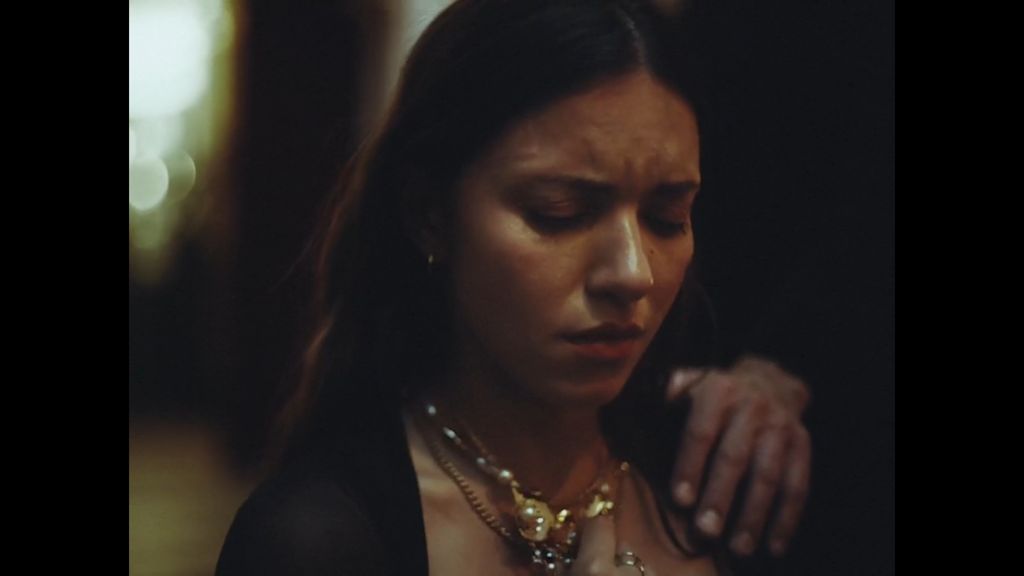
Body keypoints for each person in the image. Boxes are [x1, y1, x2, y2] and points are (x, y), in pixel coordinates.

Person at [216, 1, 810, 574]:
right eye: (560, 212)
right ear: (429, 215)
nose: (633, 272)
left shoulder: (720, 480)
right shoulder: (321, 536)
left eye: (667, 217)